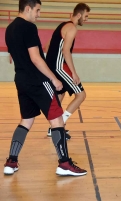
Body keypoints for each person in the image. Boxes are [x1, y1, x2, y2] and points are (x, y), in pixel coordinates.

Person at [4, 0, 87, 176]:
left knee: (26, 120)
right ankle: (64, 163)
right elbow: (36, 58)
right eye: (37, 10)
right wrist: (54, 79)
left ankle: (11, 161)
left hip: (21, 80)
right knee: (57, 120)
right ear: (28, 8)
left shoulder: (9, 28)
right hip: (38, 81)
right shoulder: (29, 27)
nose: (39, 14)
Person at [45, 3, 90, 139]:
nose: (87, 19)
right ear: (79, 15)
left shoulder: (62, 25)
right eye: (86, 16)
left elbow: (47, 45)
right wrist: (73, 73)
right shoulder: (71, 28)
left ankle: (54, 128)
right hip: (59, 66)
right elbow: (65, 51)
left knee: (59, 96)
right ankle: (60, 125)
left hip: (53, 64)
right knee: (81, 95)